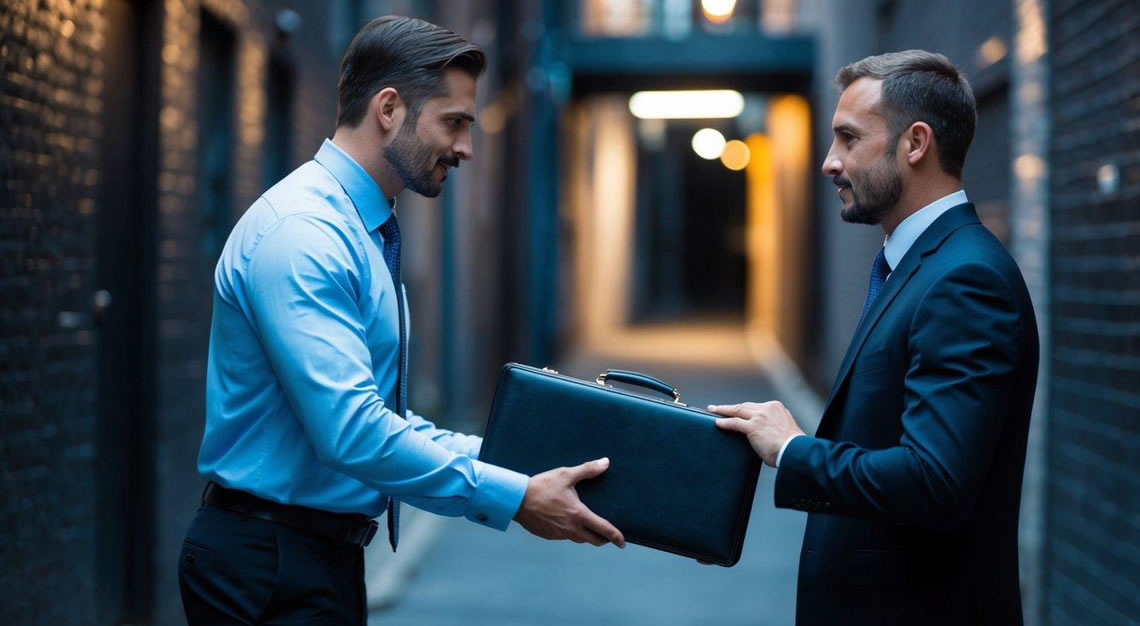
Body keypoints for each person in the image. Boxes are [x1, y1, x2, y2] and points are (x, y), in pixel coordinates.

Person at [178, 16, 624, 625]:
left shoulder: (361, 231)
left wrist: (515, 467)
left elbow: (382, 417)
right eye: (454, 122)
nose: (466, 148)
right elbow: (353, 432)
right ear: (389, 109)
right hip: (268, 563)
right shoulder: (305, 235)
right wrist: (516, 496)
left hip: (312, 557)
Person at [710, 50, 1038, 625]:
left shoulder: (966, 280)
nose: (829, 163)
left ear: (916, 143)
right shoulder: (914, 265)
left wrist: (793, 450)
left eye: (849, 138)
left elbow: (934, 481)